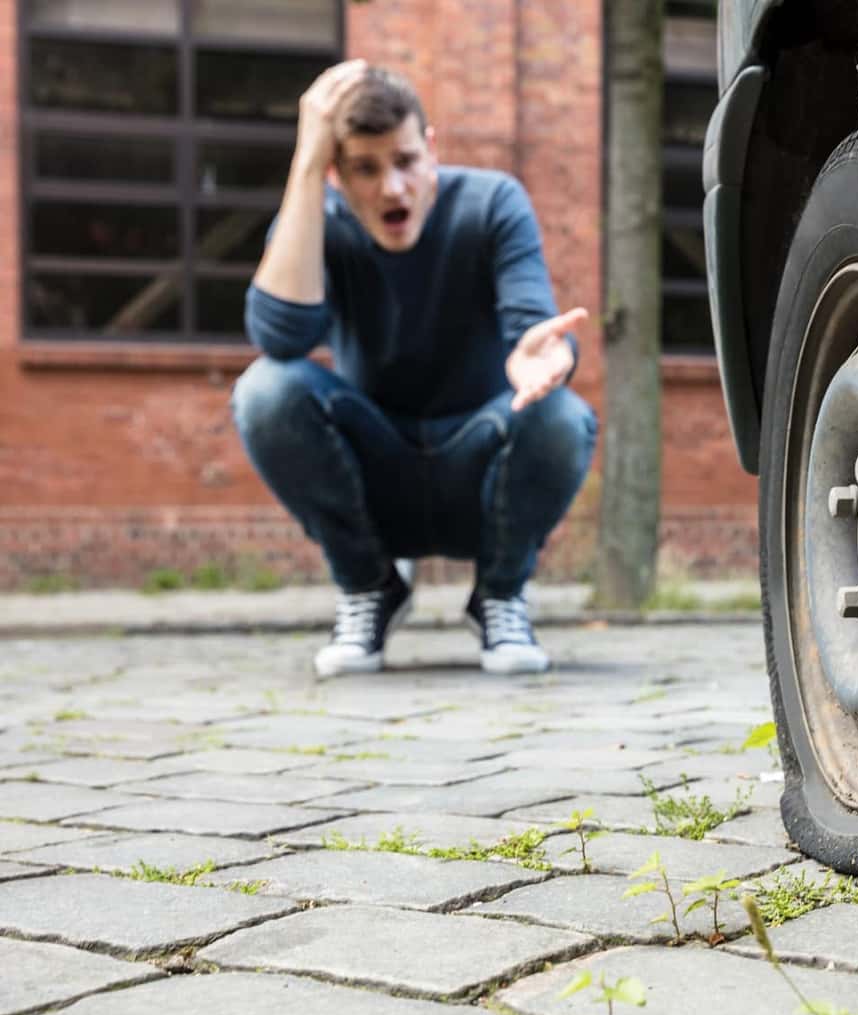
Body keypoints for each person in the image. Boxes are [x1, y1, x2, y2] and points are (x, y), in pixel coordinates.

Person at [232, 60, 597, 678]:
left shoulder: (491, 202)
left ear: (430, 148)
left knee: (563, 415)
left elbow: (535, 327)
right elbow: (280, 336)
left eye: (404, 162)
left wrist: (544, 357)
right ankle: (370, 588)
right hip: (378, 474)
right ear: (336, 174)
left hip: (478, 469)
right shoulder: (316, 219)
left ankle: (501, 596)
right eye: (364, 170)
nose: (391, 190)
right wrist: (304, 167)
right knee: (265, 390)